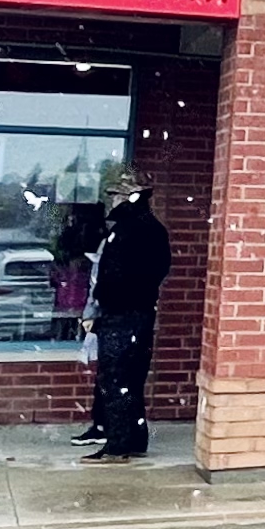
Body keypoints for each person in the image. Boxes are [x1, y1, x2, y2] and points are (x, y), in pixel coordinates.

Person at [84, 188, 171, 460]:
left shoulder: (131, 230)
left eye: (117, 194)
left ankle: (119, 443)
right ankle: (132, 439)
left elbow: (115, 275)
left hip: (124, 315)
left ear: (130, 197)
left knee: (116, 378)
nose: (112, 200)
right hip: (136, 313)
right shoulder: (145, 228)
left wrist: (108, 304)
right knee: (130, 379)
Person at [51, 201, 107, 441]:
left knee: (111, 375)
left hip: (107, 312)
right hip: (91, 306)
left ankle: (107, 427)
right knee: (107, 375)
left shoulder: (111, 239)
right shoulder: (105, 239)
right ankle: (103, 425)